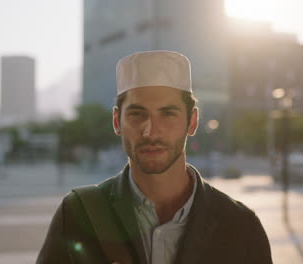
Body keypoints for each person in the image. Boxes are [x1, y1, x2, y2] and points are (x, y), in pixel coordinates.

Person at [37, 50, 272, 264]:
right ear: (117, 121)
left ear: (192, 121)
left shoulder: (240, 225)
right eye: (137, 114)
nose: (151, 131)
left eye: (168, 114)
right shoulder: (79, 213)